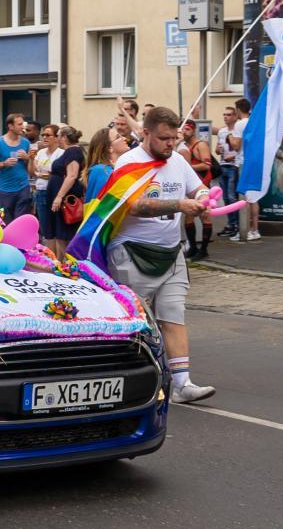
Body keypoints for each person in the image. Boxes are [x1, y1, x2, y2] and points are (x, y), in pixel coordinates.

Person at [104, 106, 215, 404]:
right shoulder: (128, 163)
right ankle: (124, 382)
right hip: (131, 252)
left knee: (173, 315)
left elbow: (198, 188)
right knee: (133, 321)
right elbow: (134, 206)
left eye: (174, 138)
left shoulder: (178, 160)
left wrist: (204, 197)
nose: (170, 144)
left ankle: (182, 383)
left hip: (171, 252)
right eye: (164, 138)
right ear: (146, 133)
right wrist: (179, 205)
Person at [220, 99, 256, 242]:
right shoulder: (254, 121)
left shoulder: (240, 124)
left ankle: (242, 230)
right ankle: (254, 230)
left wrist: (229, 136)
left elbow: (235, 146)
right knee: (253, 198)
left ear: (238, 110)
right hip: (254, 160)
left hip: (241, 162)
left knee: (240, 197)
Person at [0, 114, 34, 221]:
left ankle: (20, 238)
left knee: (20, 221)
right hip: (5, 190)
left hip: (23, 188)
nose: (23, 127)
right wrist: (4, 164)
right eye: (19, 124)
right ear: (10, 126)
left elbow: (31, 171)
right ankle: (7, 238)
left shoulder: (26, 143)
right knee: (4, 219)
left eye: (23, 124)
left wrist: (28, 158)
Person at [45, 126, 84, 255]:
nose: (57, 139)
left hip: (64, 197)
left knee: (64, 233)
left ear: (64, 137)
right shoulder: (70, 152)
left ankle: (65, 265)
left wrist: (59, 196)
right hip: (58, 194)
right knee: (59, 232)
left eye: (59, 136)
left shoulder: (73, 152)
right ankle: (60, 262)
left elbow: (72, 175)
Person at [182, 120, 216, 260]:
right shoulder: (184, 146)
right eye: (183, 129)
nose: (184, 132)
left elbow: (207, 165)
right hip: (190, 188)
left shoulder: (200, 145)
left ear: (194, 130)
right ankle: (193, 247)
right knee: (188, 217)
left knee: (205, 216)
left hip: (202, 186)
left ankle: (204, 249)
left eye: (187, 129)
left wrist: (188, 168)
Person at [31, 124, 60, 246]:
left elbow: (58, 173)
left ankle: (57, 256)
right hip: (41, 190)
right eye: (43, 135)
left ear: (56, 137)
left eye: (48, 135)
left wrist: (44, 174)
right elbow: (34, 171)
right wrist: (31, 159)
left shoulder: (61, 153)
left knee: (56, 225)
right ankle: (49, 256)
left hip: (55, 191)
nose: (44, 138)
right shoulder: (41, 152)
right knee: (45, 225)